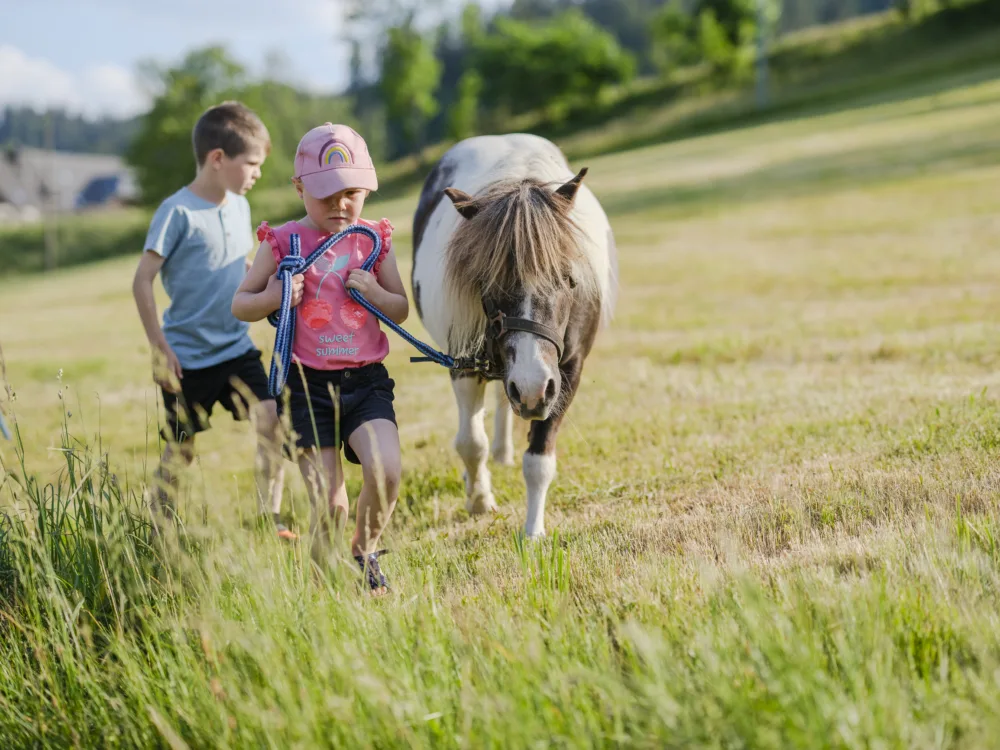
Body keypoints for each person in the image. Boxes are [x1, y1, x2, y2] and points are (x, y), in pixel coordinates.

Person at [232, 123, 408, 595]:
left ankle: (362, 552)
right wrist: (276, 293)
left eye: (351, 192)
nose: (340, 205)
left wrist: (374, 290)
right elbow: (241, 304)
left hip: (366, 383)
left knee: (386, 471)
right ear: (299, 188)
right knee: (331, 506)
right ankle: (318, 579)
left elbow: (400, 308)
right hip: (308, 388)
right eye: (326, 194)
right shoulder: (284, 241)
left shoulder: (373, 240)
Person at [132, 101, 293, 540]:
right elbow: (142, 281)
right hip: (187, 359)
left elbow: (237, 265)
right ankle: (159, 529)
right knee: (180, 449)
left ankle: (270, 517)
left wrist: (269, 294)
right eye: (253, 163)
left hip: (237, 348)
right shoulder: (176, 213)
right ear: (218, 159)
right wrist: (159, 348)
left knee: (271, 421)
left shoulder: (239, 206)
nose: (257, 173)